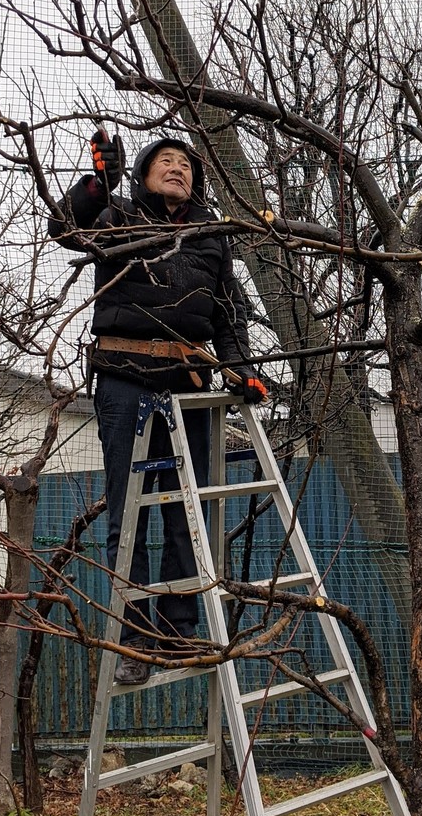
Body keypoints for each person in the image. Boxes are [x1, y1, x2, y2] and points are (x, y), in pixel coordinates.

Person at [48, 130, 267, 685]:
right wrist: (98, 185)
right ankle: (135, 637)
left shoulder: (211, 237)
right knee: (131, 511)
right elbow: (65, 230)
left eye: (187, 164)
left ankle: (179, 628)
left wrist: (242, 369)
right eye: (165, 161)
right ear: (144, 173)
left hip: (188, 382)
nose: (178, 168)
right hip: (125, 379)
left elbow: (228, 314)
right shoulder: (119, 216)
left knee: (186, 508)